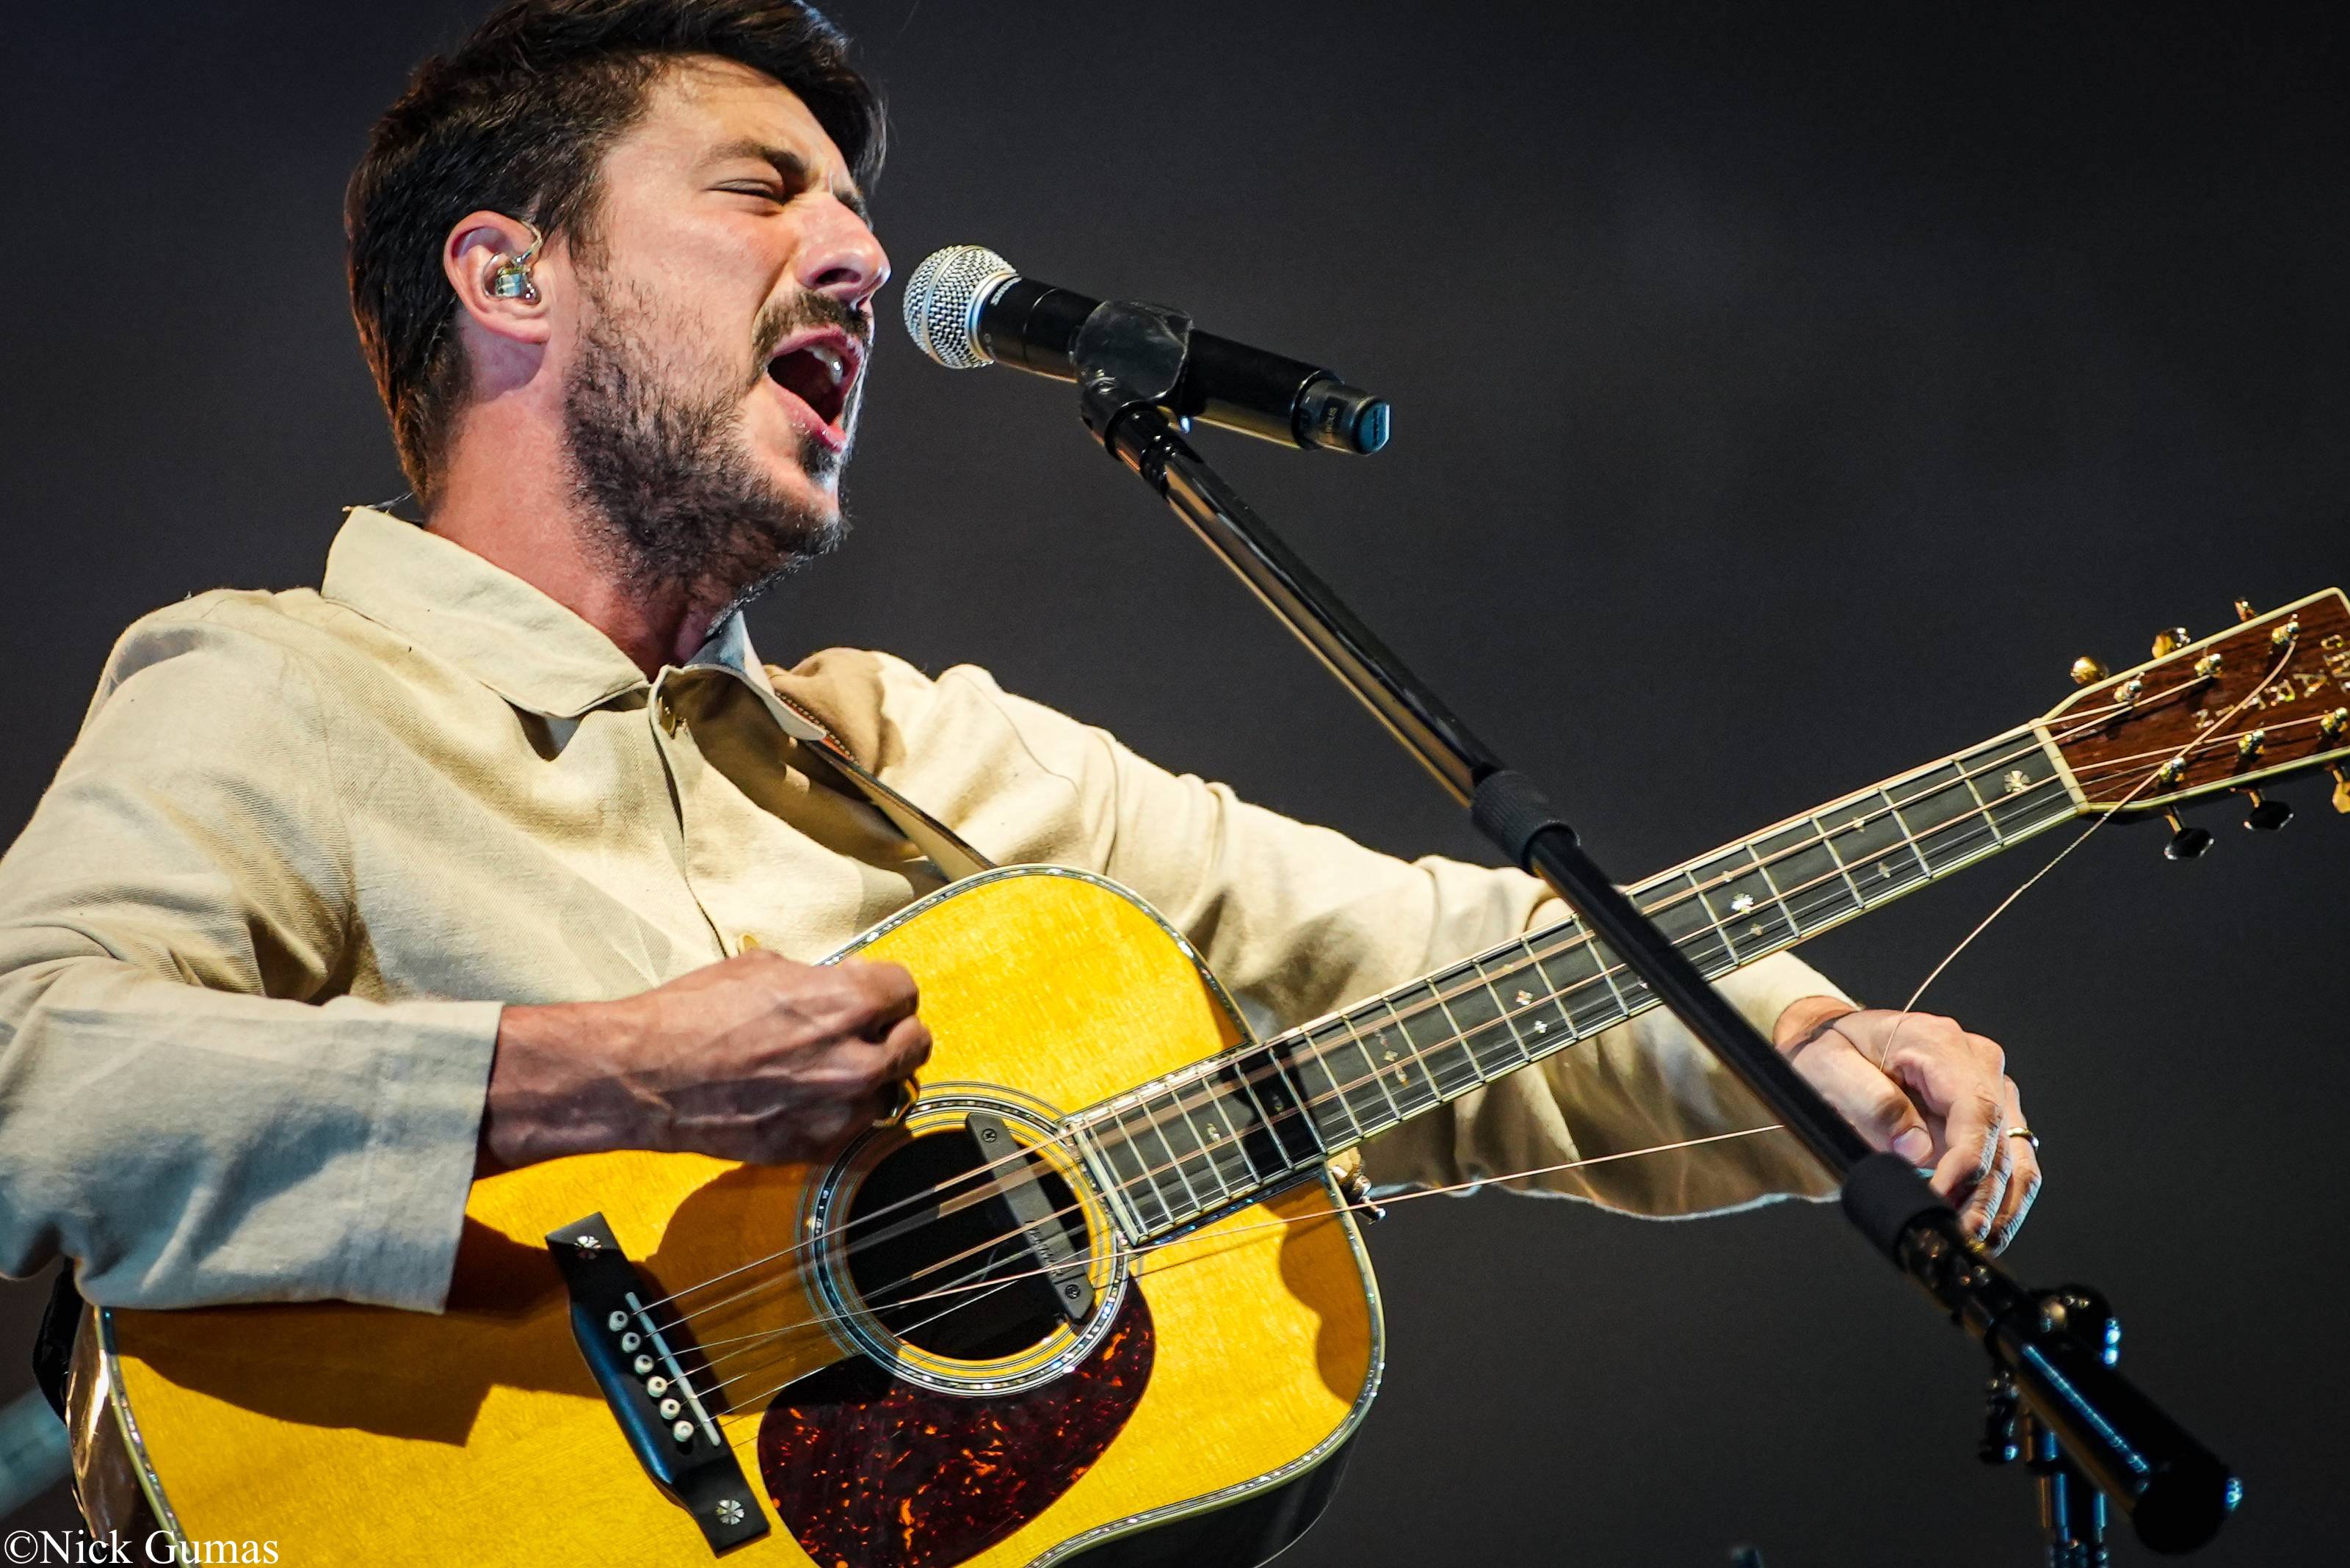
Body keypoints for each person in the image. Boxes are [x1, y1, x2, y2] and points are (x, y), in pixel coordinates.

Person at [0, 0, 2037, 1318]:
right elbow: (32, 1101)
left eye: (855, 207)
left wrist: (1790, 1049)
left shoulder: (925, 757)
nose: (865, 256)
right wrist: (590, 1074)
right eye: (758, 188)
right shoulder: (273, 694)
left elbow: (1429, 970)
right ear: (509, 274)